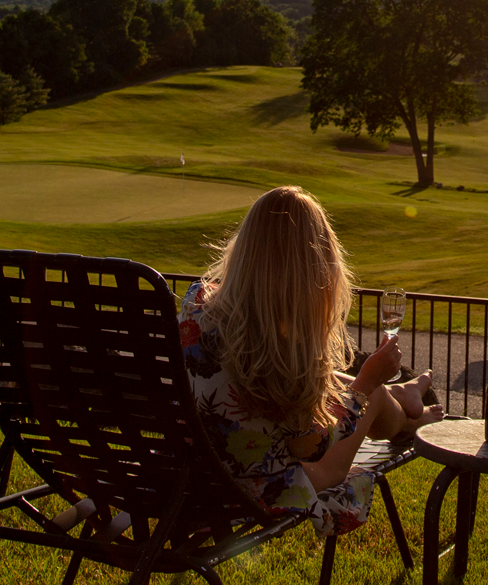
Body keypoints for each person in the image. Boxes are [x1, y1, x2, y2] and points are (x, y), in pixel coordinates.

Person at [179, 185, 442, 536]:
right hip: (254, 485)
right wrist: (366, 383)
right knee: (373, 395)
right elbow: (311, 446)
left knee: (346, 385)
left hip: (196, 473)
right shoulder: (277, 353)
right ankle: (412, 419)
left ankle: (405, 398)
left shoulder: (199, 305)